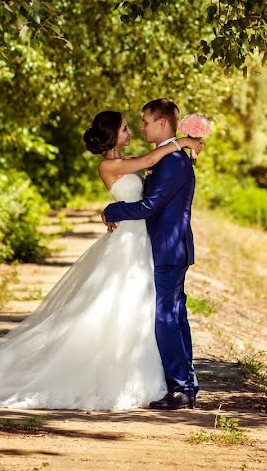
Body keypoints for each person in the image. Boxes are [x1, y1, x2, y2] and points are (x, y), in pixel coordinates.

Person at [0, 110, 203, 411]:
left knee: (155, 313)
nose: (134, 130)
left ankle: (177, 382)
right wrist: (183, 141)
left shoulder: (154, 160)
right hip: (133, 243)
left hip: (146, 244)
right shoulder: (113, 164)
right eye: (126, 128)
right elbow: (148, 170)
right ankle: (172, 382)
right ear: (113, 136)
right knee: (134, 310)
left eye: (139, 123)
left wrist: (115, 209)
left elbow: (149, 181)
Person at [102, 98, 198, 411]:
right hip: (165, 246)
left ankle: (181, 388)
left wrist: (112, 208)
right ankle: (186, 383)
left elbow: (149, 206)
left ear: (161, 123)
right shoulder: (168, 157)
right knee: (176, 316)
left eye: (145, 121)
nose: (141, 127)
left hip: (168, 249)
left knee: (165, 318)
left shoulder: (171, 161)